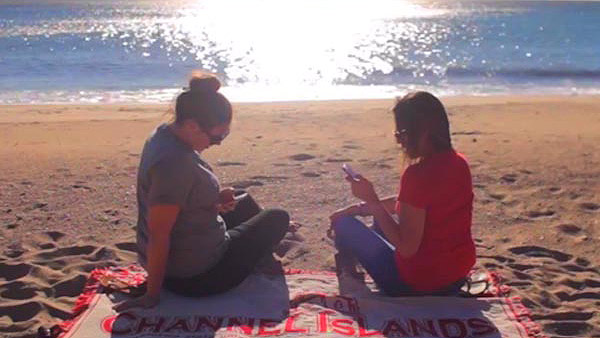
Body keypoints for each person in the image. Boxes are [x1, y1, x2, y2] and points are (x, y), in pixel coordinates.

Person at [115, 72, 289, 311]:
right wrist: (152, 294)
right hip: (196, 277)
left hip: (190, 249)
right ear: (191, 126)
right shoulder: (175, 165)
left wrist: (213, 200)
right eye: (217, 136)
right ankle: (259, 258)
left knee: (243, 200)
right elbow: (159, 234)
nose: (218, 142)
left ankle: (257, 252)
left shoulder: (164, 134)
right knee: (278, 217)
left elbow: (180, 201)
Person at [329, 91, 475, 296]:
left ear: (423, 133)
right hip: (456, 276)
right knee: (381, 220)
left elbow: (407, 248)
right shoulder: (459, 163)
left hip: (414, 283)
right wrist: (359, 209)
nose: (400, 142)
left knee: (344, 225)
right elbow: (413, 204)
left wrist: (371, 200)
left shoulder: (417, 175)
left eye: (402, 134)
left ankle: (350, 275)